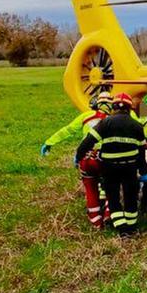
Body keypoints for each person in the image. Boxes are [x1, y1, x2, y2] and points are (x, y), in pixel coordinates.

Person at [75, 102, 147, 236]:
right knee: (130, 197)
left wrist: (79, 156)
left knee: (113, 197)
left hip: (109, 168)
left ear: (114, 108)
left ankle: (121, 227)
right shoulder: (137, 125)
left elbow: (88, 141)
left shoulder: (105, 122)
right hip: (129, 167)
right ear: (129, 109)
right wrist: (144, 171)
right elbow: (141, 153)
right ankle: (131, 226)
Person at [42, 92, 117, 228]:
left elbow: (68, 130)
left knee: (90, 188)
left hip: (87, 158)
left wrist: (50, 142)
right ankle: (108, 214)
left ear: (96, 104)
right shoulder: (114, 119)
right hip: (107, 159)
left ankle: (96, 222)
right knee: (111, 187)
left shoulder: (86, 116)